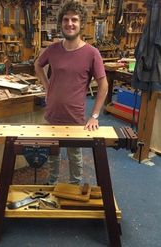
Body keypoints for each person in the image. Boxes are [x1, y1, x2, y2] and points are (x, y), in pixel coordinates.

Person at [34, 0, 108, 185]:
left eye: (74, 19)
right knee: (53, 153)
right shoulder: (52, 49)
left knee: (75, 155)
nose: (70, 24)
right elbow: (37, 64)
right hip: (51, 114)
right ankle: (52, 183)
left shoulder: (92, 53)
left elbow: (104, 85)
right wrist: (46, 86)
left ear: (81, 23)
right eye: (66, 20)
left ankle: (75, 185)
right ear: (61, 23)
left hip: (75, 118)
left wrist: (95, 116)